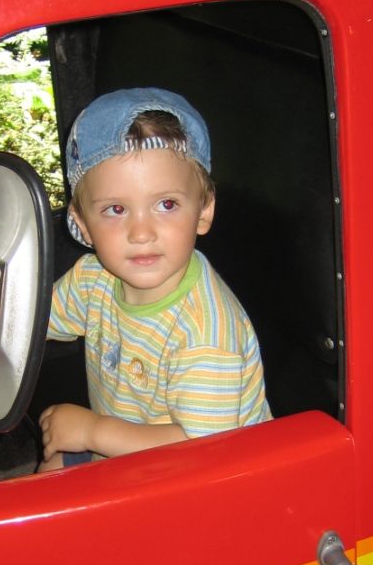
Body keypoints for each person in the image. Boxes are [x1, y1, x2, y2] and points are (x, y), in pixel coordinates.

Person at [39, 87, 271, 470]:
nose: (142, 233)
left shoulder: (206, 336)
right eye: (116, 209)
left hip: (212, 478)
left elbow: (204, 450)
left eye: (166, 204)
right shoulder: (93, 280)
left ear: (203, 211)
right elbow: (26, 324)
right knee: (44, 480)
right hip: (128, 454)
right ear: (82, 224)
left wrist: (93, 431)